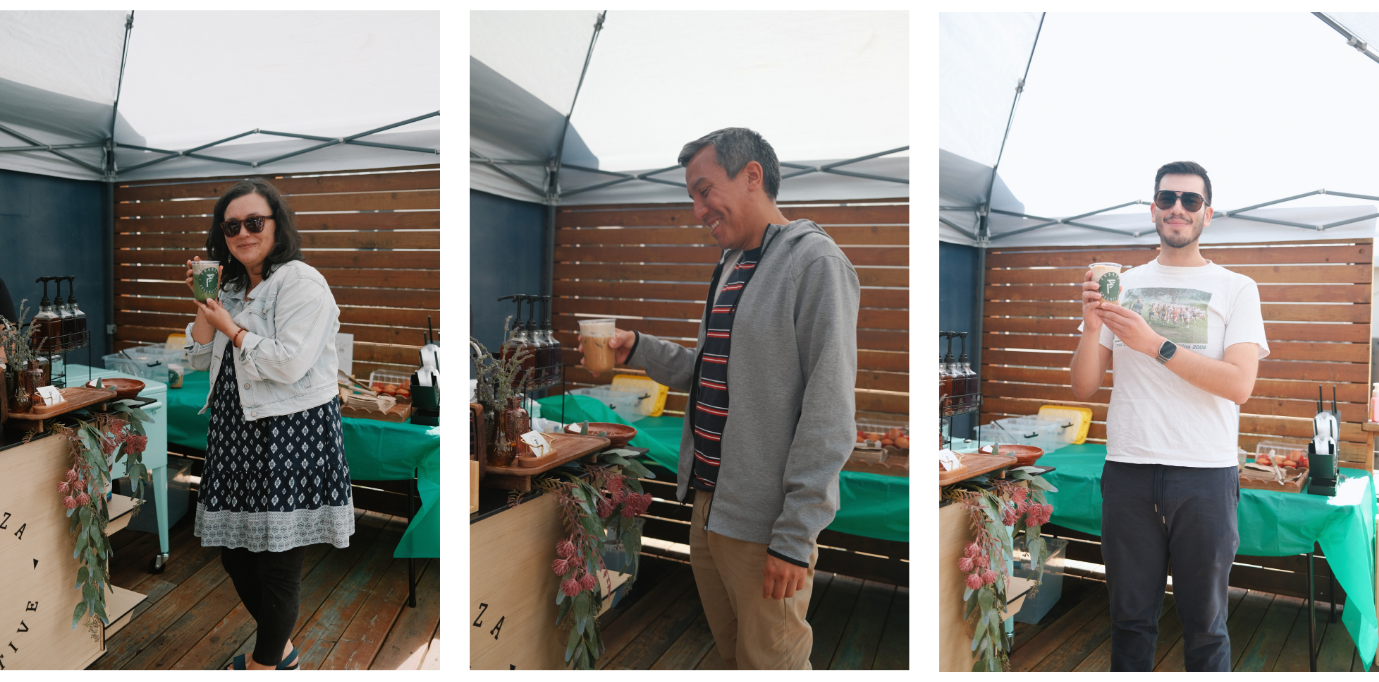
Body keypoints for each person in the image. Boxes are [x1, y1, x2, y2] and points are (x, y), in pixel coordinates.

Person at [576, 127, 860, 670]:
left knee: (773, 663)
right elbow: (709, 370)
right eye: (692, 197)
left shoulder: (816, 264)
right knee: (736, 660)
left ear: (752, 175)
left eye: (705, 190)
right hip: (708, 510)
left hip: (765, 524)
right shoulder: (730, 265)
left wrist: (794, 539)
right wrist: (638, 347)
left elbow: (830, 413)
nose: (698, 210)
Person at [1069, 161, 1268, 672]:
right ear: (1152, 208)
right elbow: (1083, 386)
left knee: (1206, 627)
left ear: (1208, 213)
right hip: (1129, 469)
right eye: (1167, 199)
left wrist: (1155, 344)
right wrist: (1091, 327)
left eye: (1190, 200)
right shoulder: (1123, 284)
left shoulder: (1236, 287)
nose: (1177, 208)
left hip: (1205, 474)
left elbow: (1239, 384)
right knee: (1129, 621)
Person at [182, 178, 354, 672]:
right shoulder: (233, 286)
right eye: (231, 225)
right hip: (237, 432)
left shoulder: (302, 282)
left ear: (277, 225)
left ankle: (266, 665)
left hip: (290, 433)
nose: (242, 232)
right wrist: (204, 305)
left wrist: (230, 326)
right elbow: (197, 358)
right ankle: (284, 652)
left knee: (279, 562)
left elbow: (288, 364)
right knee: (235, 553)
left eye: (254, 222)